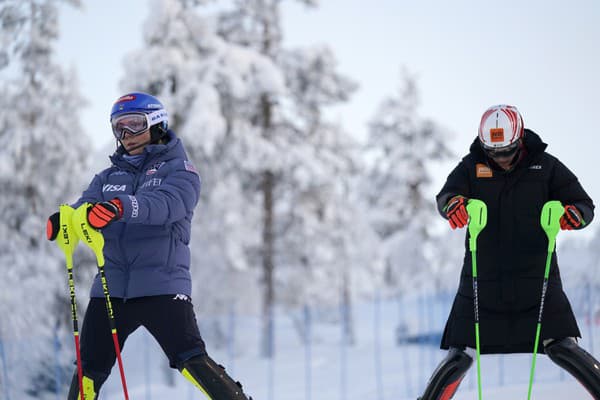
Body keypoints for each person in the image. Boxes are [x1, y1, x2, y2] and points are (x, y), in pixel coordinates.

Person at [46, 92, 252, 400]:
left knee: (190, 358)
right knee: (89, 368)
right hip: (110, 287)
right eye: (119, 127)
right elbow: (83, 209)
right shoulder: (106, 177)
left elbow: (168, 205)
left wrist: (121, 207)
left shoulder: (180, 170)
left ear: (156, 123)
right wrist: (67, 220)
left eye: (134, 125)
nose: (126, 135)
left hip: (162, 285)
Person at [418, 104, 600, 399]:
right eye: (494, 152)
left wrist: (573, 215)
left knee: (563, 347)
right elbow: (447, 196)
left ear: (520, 140)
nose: (501, 158)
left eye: (507, 151)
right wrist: (454, 205)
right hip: (481, 281)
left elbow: (584, 205)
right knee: (459, 357)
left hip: (537, 280)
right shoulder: (471, 166)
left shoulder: (547, 166)